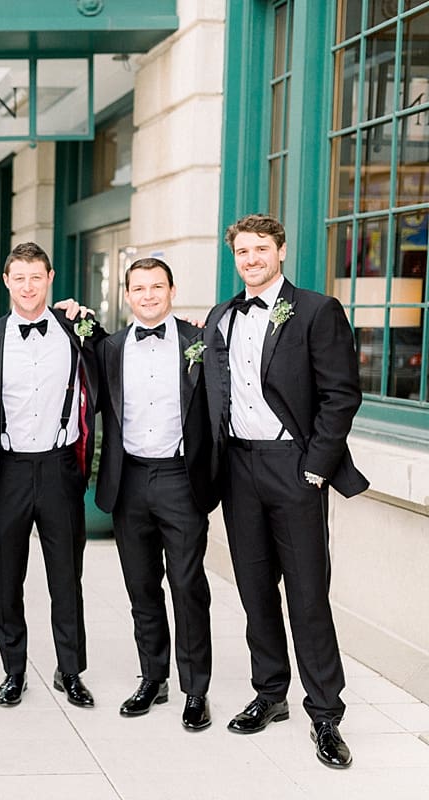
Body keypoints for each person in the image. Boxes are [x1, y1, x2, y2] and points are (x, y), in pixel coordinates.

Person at [203, 213, 367, 769]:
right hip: (239, 470)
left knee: (307, 595)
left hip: (294, 468)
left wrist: (315, 467)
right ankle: (270, 694)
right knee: (254, 590)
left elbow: (341, 395)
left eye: (259, 249)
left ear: (280, 249)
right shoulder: (220, 316)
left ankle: (325, 714)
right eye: (241, 252)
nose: (250, 259)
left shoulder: (317, 311)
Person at [0, 242, 102, 710]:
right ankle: (14, 670)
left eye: (36, 277)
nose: (28, 286)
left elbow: (115, 362)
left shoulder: (76, 331)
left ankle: (70, 671)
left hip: (58, 468)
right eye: (19, 278)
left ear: (50, 278)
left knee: (66, 578)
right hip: (5, 470)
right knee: (6, 581)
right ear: (6, 282)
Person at [94, 257, 217, 731]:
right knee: (141, 587)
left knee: (188, 586)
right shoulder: (110, 348)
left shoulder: (198, 342)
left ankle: (195, 689)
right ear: (126, 295)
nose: (147, 295)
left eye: (156, 287)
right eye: (139, 288)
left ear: (172, 290)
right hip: (129, 482)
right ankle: (153, 677)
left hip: (180, 480)